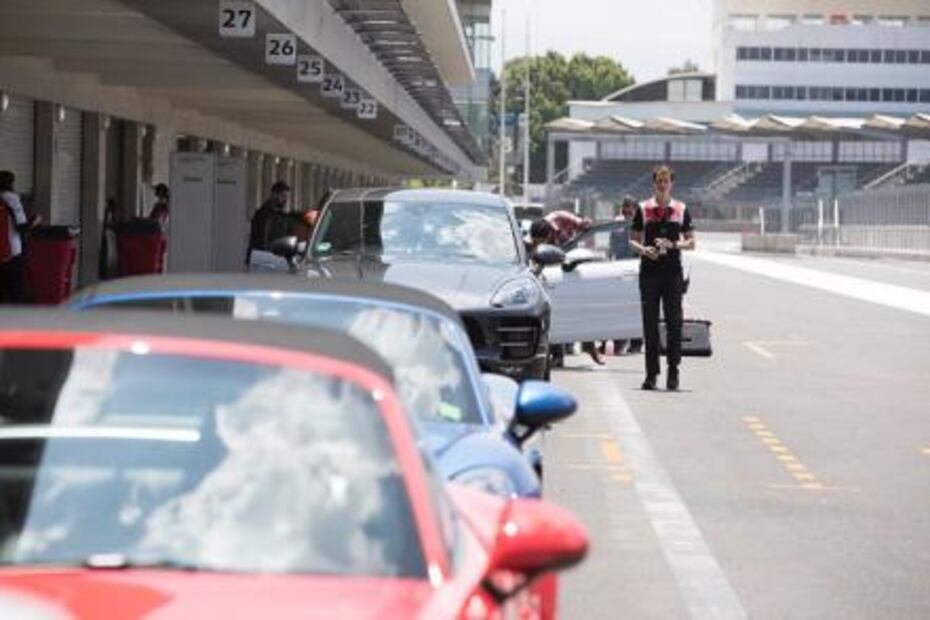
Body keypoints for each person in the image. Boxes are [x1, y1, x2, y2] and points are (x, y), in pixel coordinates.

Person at [630, 165, 695, 391]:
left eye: (666, 181)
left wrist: (674, 244)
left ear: (672, 184)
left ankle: (673, 372)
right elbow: (633, 240)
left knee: (674, 323)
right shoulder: (643, 208)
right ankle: (651, 374)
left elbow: (692, 242)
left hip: (672, 273)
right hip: (649, 272)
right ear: (654, 182)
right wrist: (644, 250)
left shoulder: (681, 208)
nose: (662, 184)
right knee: (650, 325)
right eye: (659, 180)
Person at [527, 215, 605, 366]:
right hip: (545, 282)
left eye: (541, 242)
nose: (539, 246)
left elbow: (572, 255)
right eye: (535, 242)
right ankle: (557, 355)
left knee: (579, 310)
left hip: (566, 276)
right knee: (550, 316)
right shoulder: (527, 244)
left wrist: (582, 223)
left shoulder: (561, 230)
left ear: (549, 235)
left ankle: (588, 345)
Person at [0, 170, 41, 303]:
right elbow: (22, 227)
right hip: (11, 252)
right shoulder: (11, 198)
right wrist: (35, 221)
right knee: (15, 291)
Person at [246, 181, 290, 265]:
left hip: (269, 257)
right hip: (264, 257)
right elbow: (262, 238)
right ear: (274, 195)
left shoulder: (278, 214)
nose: (285, 200)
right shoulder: (264, 215)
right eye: (283, 196)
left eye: (286, 197)